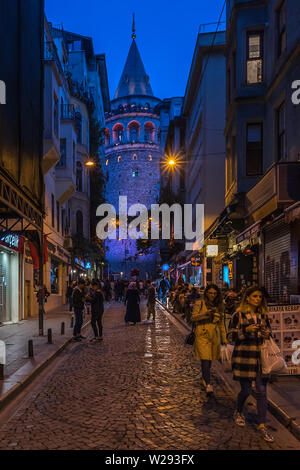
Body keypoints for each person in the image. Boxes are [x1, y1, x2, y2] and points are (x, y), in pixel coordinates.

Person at [228, 286, 274, 443]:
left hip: (260, 358)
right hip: (244, 357)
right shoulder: (238, 315)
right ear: (247, 298)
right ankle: (239, 411)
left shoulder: (263, 314)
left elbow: (269, 331)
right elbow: (230, 336)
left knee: (261, 391)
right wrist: (246, 330)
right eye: (254, 296)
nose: (258, 299)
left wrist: (267, 333)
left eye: (260, 297)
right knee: (246, 390)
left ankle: (262, 424)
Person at [191, 284, 227, 395]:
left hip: (214, 334)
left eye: (215, 293)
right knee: (205, 359)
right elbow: (193, 317)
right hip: (202, 334)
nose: (212, 295)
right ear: (206, 293)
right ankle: (208, 384)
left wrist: (224, 338)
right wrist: (205, 314)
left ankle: (205, 377)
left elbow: (221, 323)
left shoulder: (220, 305)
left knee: (210, 358)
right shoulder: (200, 303)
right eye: (210, 293)